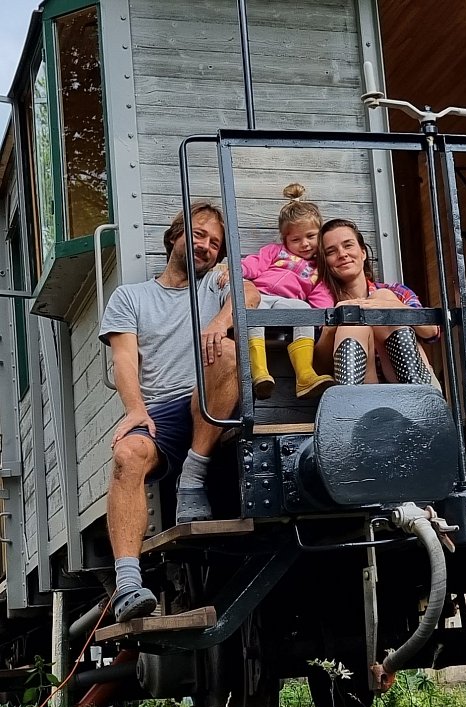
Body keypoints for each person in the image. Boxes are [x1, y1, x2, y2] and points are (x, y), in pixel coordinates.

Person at [100, 201, 261, 622]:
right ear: (175, 236)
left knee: (227, 353)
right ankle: (129, 584)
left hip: (206, 401)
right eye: (198, 233)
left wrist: (219, 322)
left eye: (214, 241)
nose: (205, 245)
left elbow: (250, 293)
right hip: (160, 410)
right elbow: (124, 361)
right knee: (126, 455)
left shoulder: (216, 284)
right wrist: (135, 410)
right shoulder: (131, 297)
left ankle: (193, 476)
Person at [235, 183, 335, 399]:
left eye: (311, 236)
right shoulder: (275, 252)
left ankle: (305, 375)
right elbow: (254, 264)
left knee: (304, 309)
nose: (305, 244)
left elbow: (321, 298)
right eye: (296, 240)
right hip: (260, 296)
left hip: (285, 305)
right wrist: (237, 272)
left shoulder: (319, 270)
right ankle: (259, 372)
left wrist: (323, 319)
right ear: (285, 240)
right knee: (253, 310)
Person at [312, 218, 440, 386]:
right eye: (331, 251)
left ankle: (417, 395)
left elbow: (432, 332)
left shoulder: (396, 291)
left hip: (414, 385)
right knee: (352, 323)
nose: (342, 254)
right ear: (326, 263)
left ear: (363, 252)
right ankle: (351, 402)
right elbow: (319, 368)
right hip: (367, 393)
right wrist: (330, 328)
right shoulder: (324, 302)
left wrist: (394, 307)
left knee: (382, 297)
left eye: (348, 245)